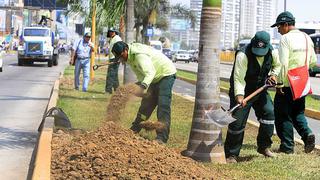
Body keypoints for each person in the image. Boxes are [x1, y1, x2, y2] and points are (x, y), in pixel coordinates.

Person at [224, 31, 281, 163]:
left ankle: (264, 147)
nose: (258, 53)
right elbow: (238, 78)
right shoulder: (243, 55)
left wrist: (273, 75)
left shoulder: (273, 52)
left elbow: (277, 66)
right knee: (237, 122)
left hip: (260, 89)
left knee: (269, 114)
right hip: (243, 89)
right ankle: (231, 154)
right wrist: (239, 96)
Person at [111, 41, 177, 144]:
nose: (120, 59)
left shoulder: (139, 55)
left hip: (165, 75)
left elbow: (150, 72)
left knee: (163, 105)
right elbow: (142, 77)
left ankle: (161, 138)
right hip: (154, 78)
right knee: (146, 106)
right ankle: (135, 129)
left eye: (121, 56)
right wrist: (136, 89)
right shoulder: (130, 59)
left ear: (125, 50)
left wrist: (141, 88)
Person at [271, 11, 317, 154]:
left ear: (286, 24)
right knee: (298, 113)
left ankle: (287, 147)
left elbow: (283, 63)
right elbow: (313, 61)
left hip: (286, 84)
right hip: (302, 82)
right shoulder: (306, 37)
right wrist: (301, 72)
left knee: (282, 115)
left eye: (279, 26)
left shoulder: (285, 39)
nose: (278, 30)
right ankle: (307, 134)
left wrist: (279, 84)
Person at [105, 28, 122, 94]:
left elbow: (121, 48)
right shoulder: (112, 39)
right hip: (113, 58)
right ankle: (117, 90)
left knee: (110, 74)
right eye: (110, 32)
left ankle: (108, 90)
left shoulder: (117, 38)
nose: (111, 33)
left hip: (115, 58)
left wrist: (118, 58)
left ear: (115, 32)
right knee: (114, 75)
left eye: (112, 32)